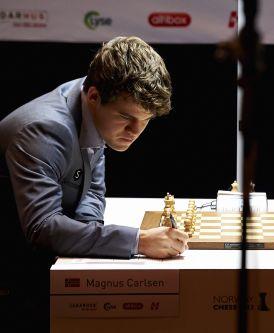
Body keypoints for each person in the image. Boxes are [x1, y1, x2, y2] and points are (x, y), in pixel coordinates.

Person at [0, 36, 189, 330]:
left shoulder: (93, 107)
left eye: (146, 119)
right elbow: (42, 227)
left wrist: (85, 232)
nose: (135, 131)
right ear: (93, 96)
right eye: (126, 117)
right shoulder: (44, 131)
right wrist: (138, 241)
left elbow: (93, 191)